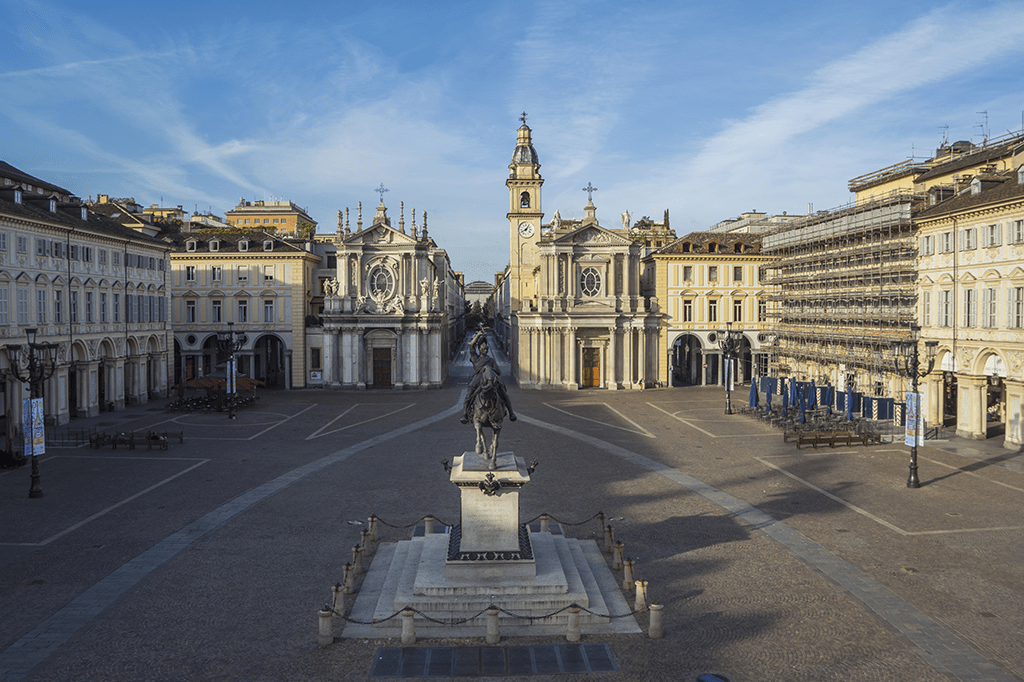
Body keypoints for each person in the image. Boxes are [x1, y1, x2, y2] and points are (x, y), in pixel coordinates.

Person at [461, 326, 516, 423]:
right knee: (468, 395)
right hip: (478, 378)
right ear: (479, 349)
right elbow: (471, 345)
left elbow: (499, 371)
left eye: (486, 348)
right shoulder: (475, 358)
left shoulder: (491, 360)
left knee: (504, 393)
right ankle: (465, 414)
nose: (485, 349)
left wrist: (490, 369)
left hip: (491, 377)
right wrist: (478, 336)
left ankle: (511, 412)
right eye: (483, 348)